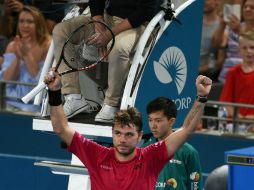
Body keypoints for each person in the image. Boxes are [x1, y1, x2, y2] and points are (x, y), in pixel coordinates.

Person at [44, 70, 212, 190]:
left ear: (139, 136)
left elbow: (187, 129)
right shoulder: (97, 155)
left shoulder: (151, 157)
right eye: (118, 133)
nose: (122, 139)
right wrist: (54, 92)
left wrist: (201, 97)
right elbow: (61, 128)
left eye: (129, 134)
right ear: (112, 134)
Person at [52, 0, 162, 121]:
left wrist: (109, 34)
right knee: (60, 31)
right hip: (107, 18)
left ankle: (111, 104)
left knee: (118, 47)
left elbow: (146, 11)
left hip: (139, 24)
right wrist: (99, 23)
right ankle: (73, 96)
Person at [142, 97, 203, 190]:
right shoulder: (144, 148)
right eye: (150, 120)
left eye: (158, 121)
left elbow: (196, 187)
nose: (153, 126)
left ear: (171, 121)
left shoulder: (188, 152)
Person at [0, 5, 51, 111]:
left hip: (37, 101)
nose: (24, 25)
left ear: (39, 24)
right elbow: (7, 81)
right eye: (21, 21)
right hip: (12, 100)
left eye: (30, 22)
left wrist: (26, 54)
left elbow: (38, 80)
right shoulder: (13, 45)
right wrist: (18, 58)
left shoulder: (48, 45)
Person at [220, 30, 254, 120]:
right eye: (244, 48)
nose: (249, 51)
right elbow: (226, 103)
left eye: (252, 47)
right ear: (239, 50)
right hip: (237, 124)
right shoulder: (232, 73)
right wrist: (242, 120)